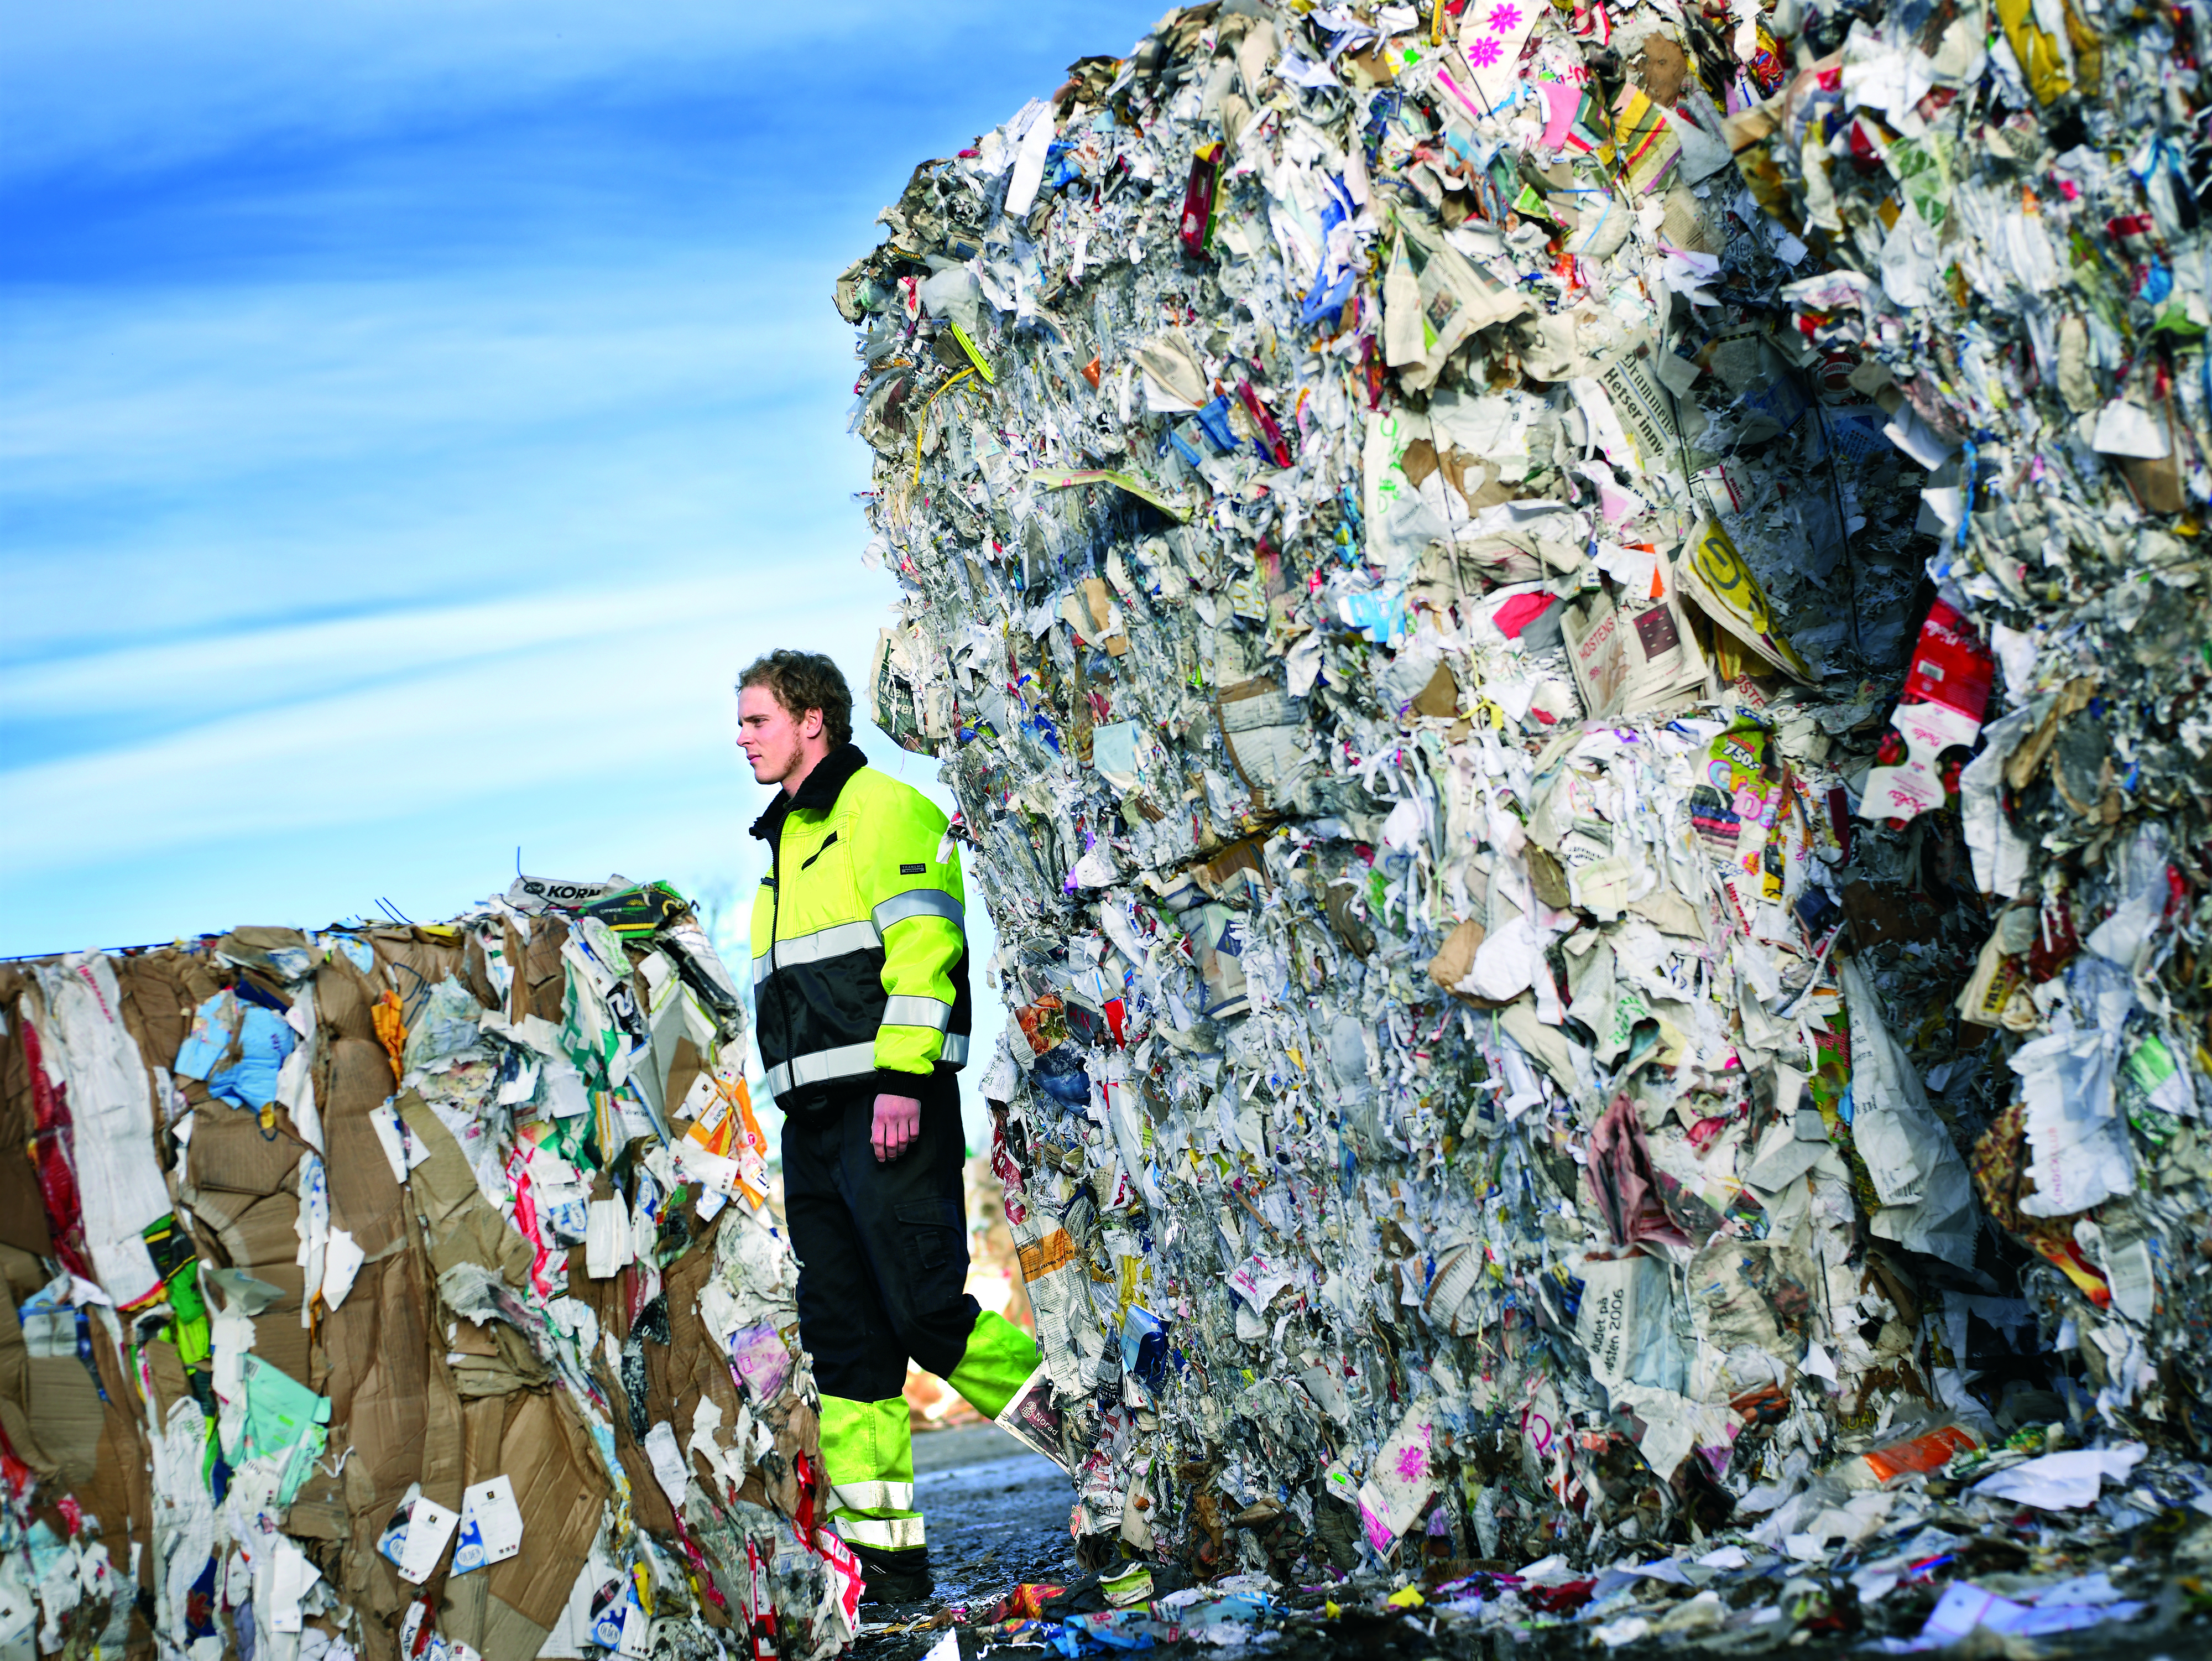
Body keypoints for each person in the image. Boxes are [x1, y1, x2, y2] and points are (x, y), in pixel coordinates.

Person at [735, 650, 1042, 1605]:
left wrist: (907, 1078)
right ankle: (896, 1577)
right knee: (848, 1347)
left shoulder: (887, 810)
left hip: (888, 1104)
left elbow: (928, 946)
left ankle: (1091, 1434)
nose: (740, 737)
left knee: (926, 1311)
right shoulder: (781, 846)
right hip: (813, 1126)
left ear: (812, 721)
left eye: (756, 720)